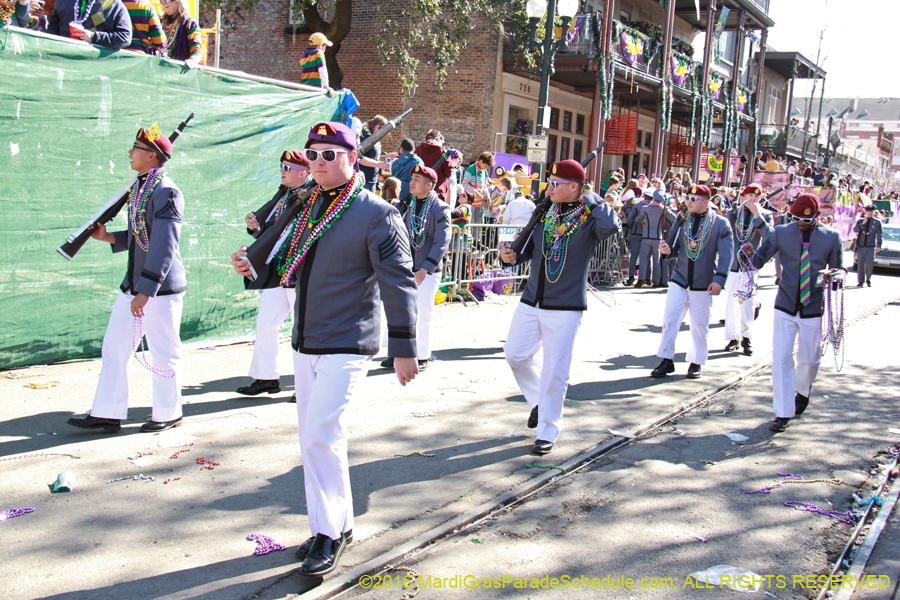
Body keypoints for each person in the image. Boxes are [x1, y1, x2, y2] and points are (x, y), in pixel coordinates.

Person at [231, 121, 419, 577]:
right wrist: (248, 263)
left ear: (352, 158)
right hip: (306, 337)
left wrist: (405, 347)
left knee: (321, 432)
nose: (317, 162)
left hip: (349, 339)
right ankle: (334, 523)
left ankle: (329, 535)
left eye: (328, 155)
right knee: (316, 438)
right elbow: (277, 250)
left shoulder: (378, 213)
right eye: (312, 154)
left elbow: (399, 283)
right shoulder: (306, 203)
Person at [67, 124, 186, 433]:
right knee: (115, 346)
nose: (130, 153)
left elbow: (164, 246)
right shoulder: (141, 187)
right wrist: (108, 237)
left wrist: (145, 291)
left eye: (136, 148)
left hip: (159, 288)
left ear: (152, 156)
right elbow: (140, 235)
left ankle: (168, 412)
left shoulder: (167, 191)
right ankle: (108, 411)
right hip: (135, 284)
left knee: (163, 350)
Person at [500, 160, 621, 456]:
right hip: (532, 299)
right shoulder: (547, 212)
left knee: (556, 371)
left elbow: (612, 225)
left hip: (565, 305)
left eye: (556, 182)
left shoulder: (590, 217)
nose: (549, 187)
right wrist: (510, 255)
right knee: (515, 354)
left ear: (575, 187)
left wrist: (592, 198)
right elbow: (529, 251)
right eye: (550, 181)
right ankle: (539, 402)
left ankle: (547, 430)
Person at [752, 194, 843, 432]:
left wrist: (834, 275)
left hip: (813, 306)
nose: (800, 223)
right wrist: (748, 254)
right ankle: (783, 412)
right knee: (781, 358)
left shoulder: (832, 237)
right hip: (785, 304)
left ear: (816, 217)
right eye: (795, 218)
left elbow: (839, 269)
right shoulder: (781, 232)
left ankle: (803, 391)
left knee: (809, 360)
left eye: (806, 219)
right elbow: (759, 259)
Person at [235, 151, 310, 402]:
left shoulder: (313, 197)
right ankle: (266, 376)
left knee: (302, 331)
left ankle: (306, 384)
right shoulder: (282, 197)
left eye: (287, 167)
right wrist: (256, 228)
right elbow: (272, 237)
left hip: (300, 271)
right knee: (266, 324)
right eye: (281, 166)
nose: (282, 171)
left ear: (303, 172)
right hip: (278, 271)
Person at [651, 185, 734, 380]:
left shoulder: (720, 224)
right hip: (679, 279)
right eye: (687, 197)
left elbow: (726, 255)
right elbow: (673, 246)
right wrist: (666, 250)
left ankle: (696, 361)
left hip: (703, 283)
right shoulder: (682, 219)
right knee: (670, 319)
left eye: (693, 199)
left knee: (699, 325)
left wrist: (719, 280)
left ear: (706, 202)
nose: (688, 201)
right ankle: (666, 359)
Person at [381, 165, 451, 370]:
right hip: (403, 267)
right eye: (412, 178)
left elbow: (441, 242)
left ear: (429, 185)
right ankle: (396, 353)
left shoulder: (440, 208)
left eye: (417, 179)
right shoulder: (405, 205)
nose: (411, 182)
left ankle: (422, 355)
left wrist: (425, 268)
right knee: (399, 311)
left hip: (425, 270)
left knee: (422, 313)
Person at [723, 184, 772, 356]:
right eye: (750, 195)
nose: (753, 199)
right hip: (733, 265)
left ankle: (747, 338)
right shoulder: (734, 213)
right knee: (731, 303)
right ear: (743, 197)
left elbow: (771, 238)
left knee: (747, 304)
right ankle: (732, 337)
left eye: (757, 197)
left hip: (751, 266)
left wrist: (758, 216)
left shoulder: (766, 215)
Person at [48, 0, 132, 49]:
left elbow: (124, 37)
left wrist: (93, 37)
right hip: (64, 62)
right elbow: (53, 28)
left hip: (94, 66)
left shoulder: (113, 4)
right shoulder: (63, 1)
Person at [636, 188, 676, 288]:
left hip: (645, 236)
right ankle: (656, 280)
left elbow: (638, 220)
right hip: (657, 238)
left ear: (653, 197)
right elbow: (674, 219)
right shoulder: (663, 209)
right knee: (656, 260)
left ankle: (641, 279)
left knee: (644, 259)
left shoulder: (645, 208)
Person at [414, 130, 456, 202]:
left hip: (419, 191)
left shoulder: (417, 150)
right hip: (437, 192)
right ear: (438, 139)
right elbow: (448, 172)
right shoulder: (443, 152)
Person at [160, 0, 202, 67]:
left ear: (179, 2)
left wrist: (192, 60)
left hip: (178, 72)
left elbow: (197, 49)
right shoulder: (159, 22)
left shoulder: (190, 23)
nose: (164, 2)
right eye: (162, 0)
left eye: (167, 0)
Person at [358, 115, 391, 193]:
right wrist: (379, 164)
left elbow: (372, 156)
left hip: (373, 180)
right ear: (377, 127)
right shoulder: (363, 136)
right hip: (364, 180)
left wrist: (385, 157)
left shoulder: (373, 137)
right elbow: (359, 158)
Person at [462, 152, 495, 226]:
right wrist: (475, 191)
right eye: (485, 166)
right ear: (480, 161)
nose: (485, 168)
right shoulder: (471, 169)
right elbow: (464, 184)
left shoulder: (484, 171)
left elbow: (484, 186)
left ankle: (478, 238)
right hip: (470, 203)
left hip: (479, 204)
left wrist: (487, 195)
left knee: (479, 225)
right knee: (470, 225)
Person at [854, 203, 883, 287]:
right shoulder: (860, 221)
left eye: (872, 211)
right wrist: (862, 224)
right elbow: (855, 230)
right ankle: (861, 281)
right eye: (868, 211)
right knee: (861, 263)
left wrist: (879, 245)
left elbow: (879, 234)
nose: (870, 213)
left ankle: (868, 279)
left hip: (870, 246)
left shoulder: (877, 222)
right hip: (861, 245)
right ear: (865, 212)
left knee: (869, 262)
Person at [622, 183, 644, 286]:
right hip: (648, 234)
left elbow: (630, 219)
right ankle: (645, 278)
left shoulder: (636, 204)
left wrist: (632, 226)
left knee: (634, 255)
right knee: (645, 256)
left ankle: (631, 277)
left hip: (636, 232)